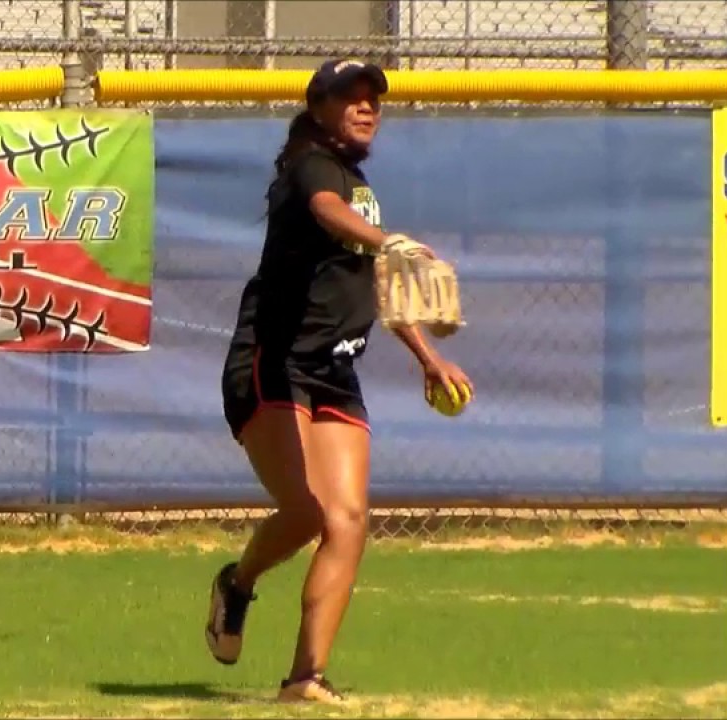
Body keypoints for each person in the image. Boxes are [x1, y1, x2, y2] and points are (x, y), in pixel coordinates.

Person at [205, 58, 475, 704]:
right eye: (349, 97)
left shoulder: (359, 185)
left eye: (373, 99)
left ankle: (305, 678)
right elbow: (329, 214)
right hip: (273, 364)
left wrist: (424, 355)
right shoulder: (312, 170)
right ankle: (236, 585)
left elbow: (366, 280)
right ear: (318, 107)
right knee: (305, 511)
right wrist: (390, 241)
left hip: (334, 369)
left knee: (349, 519)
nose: (365, 107)